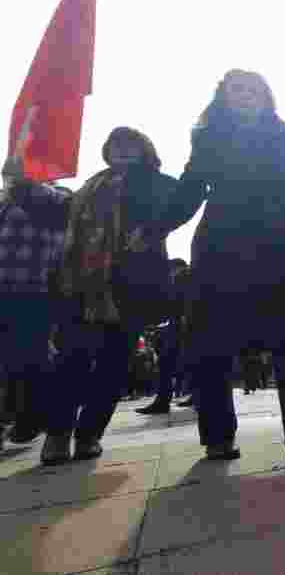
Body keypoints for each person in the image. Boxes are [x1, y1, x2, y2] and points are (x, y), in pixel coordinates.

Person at [130, 69, 285, 460]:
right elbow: (188, 193)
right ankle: (218, 437)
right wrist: (154, 228)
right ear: (223, 98)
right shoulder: (209, 142)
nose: (246, 95)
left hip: (277, 252)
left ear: (267, 97)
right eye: (237, 89)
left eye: (254, 89)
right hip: (220, 251)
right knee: (212, 348)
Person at [35, 127, 178, 465]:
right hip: (82, 287)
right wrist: (23, 184)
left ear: (145, 150)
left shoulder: (159, 184)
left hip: (130, 288)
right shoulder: (89, 188)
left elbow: (181, 204)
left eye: (131, 145)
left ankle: (89, 435)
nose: (122, 150)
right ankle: (57, 435)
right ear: (107, 151)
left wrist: (152, 229)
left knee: (113, 367)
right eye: (116, 145)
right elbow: (55, 213)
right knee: (72, 360)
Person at [0, 160, 70, 446]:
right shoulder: (6, 202)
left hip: (34, 290)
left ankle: (33, 418)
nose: (10, 178)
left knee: (33, 359)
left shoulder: (57, 196)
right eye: (8, 173)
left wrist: (29, 180)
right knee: (11, 361)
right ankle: (21, 418)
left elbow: (61, 214)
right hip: (4, 289)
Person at [137, 259, 190, 414]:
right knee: (189, 364)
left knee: (165, 364)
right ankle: (196, 397)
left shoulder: (182, 278)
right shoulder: (187, 277)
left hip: (180, 326)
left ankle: (162, 401)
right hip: (182, 326)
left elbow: (174, 305)